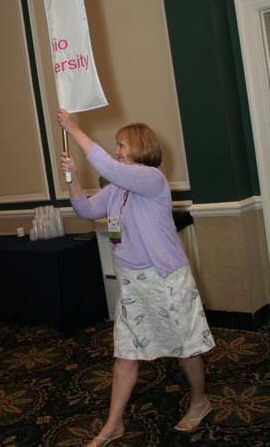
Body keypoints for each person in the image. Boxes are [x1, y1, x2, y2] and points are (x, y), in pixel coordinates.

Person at [57, 108, 215, 447]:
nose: (117, 151)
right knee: (125, 353)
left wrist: (73, 128)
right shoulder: (117, 189)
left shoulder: (151, 179)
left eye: (121, 145)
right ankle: (114, 424)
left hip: (165, 279)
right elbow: (85, 210)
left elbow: (110, 167)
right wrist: (72, 180)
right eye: (116, 145)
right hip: (132, 283)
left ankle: (200, 400)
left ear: (140, 147)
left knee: (185, 348)